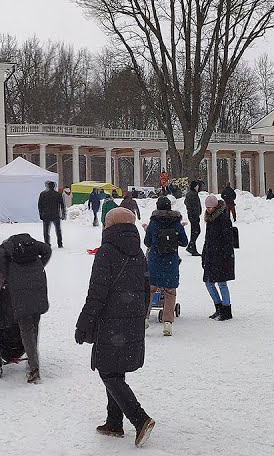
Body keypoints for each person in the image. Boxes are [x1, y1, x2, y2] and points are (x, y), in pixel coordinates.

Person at [75, 207, 155, 446]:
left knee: (108, 371)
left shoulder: (106, 252)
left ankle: (140, 419)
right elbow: (146, 288)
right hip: (131, 320)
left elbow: (96, 294)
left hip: (111, 322)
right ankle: (114, 422)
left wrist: (83, 323)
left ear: (109, 227)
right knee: (115, 369)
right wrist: (140, 314)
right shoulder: (138, 252)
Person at [0, 232, 51, 384]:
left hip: (20, 289)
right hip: (37, 285)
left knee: (26, 329)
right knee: (34, 325)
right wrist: (39, 265)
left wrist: (9, 273)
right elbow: (47, 250)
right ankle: (33, 359)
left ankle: (34, 368)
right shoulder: (32, 244)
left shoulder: (6, 247)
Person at [144, 196, 187, 336]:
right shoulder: (176, 222)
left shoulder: (153, 222)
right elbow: (185, 242)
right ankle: (167, 322)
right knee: (170, 292)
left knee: (150, 290)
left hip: (155, 261)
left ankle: (145, 317)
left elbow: (147, 242)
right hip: (171, 262)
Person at [201, 195, 236, 321]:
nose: (209, 209)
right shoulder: (210, 219)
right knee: (208, 283)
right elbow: (207, 240)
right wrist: (204, 255)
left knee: (222, 283)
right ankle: (219, 307)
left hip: (221, 257)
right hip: (211, 256)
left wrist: (226, 257)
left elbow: (228, 240)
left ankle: (226, 310)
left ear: (216, 207)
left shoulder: (223, 218)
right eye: (207, 207)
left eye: (211, 207)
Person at [38, 181, 66, 248]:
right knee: (58, 230)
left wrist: (40, 214)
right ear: (54, 186)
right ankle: (60, 244)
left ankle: (47, 244)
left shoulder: (43, 194)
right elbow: (62, 205)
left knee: (46, 231)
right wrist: (63, 214)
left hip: (46, 215)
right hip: (55, 215)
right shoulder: (58, 194)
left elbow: (40, 205)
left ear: (47, 186)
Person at [184, 180, 203, 256]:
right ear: (195, 186)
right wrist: (194, 213)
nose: (199, 187)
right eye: (198, 186)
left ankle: (192, 247)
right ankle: (191, 246)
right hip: (194, 216)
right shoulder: (193, 194)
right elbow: (193, 205)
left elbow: (186, 202)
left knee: (195, 231)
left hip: (193, 215)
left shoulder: (191, 194)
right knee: (196, 231)